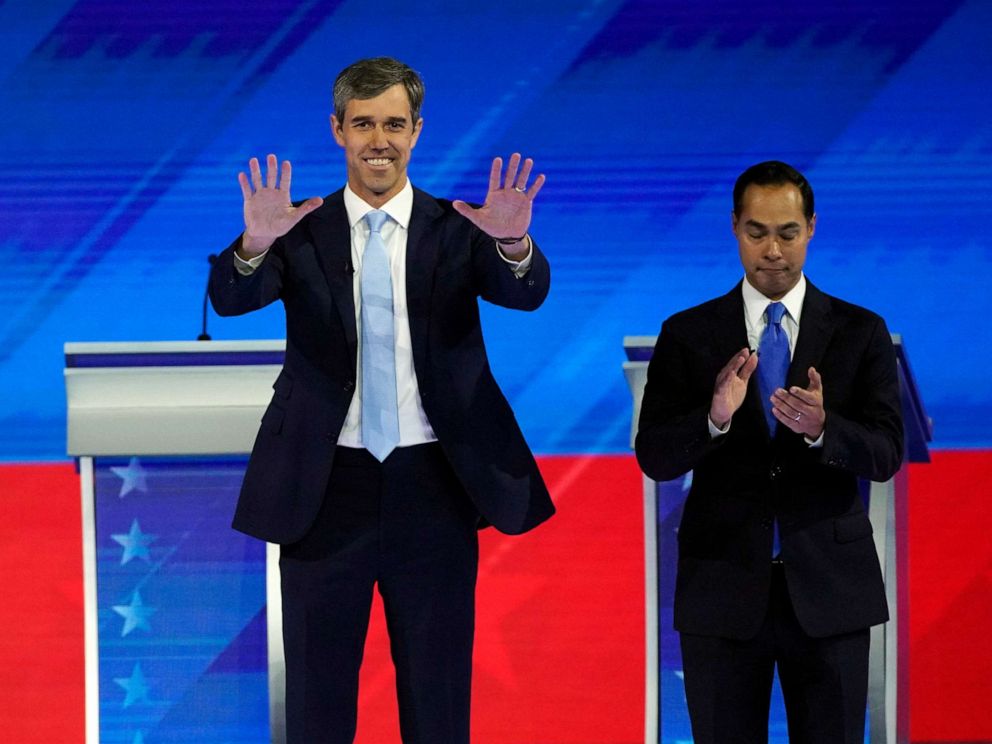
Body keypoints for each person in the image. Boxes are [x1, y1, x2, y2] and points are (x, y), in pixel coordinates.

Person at [208, 56, 554, 744]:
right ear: (337, 130)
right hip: (325, 489)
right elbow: (231, 296)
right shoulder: (296, 227)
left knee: (436, 696)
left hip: (433, 488)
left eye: (394, 124)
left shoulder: (461, 226)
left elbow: (526, 292)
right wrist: (253, 242)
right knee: (317, 703)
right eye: (363, 123)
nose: (379, 140)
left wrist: (512, 239)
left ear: (417, 132)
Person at [635, 161, 904, 743]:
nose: (773, 250)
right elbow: (655, 455)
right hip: (723, 591)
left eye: (788, 232)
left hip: (830, 593)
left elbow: (886, 453)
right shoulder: (689, 334)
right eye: (757, 232)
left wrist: (823, 428)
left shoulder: (861, 332)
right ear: (734, 227)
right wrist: (712, 420)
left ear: (811, 229)